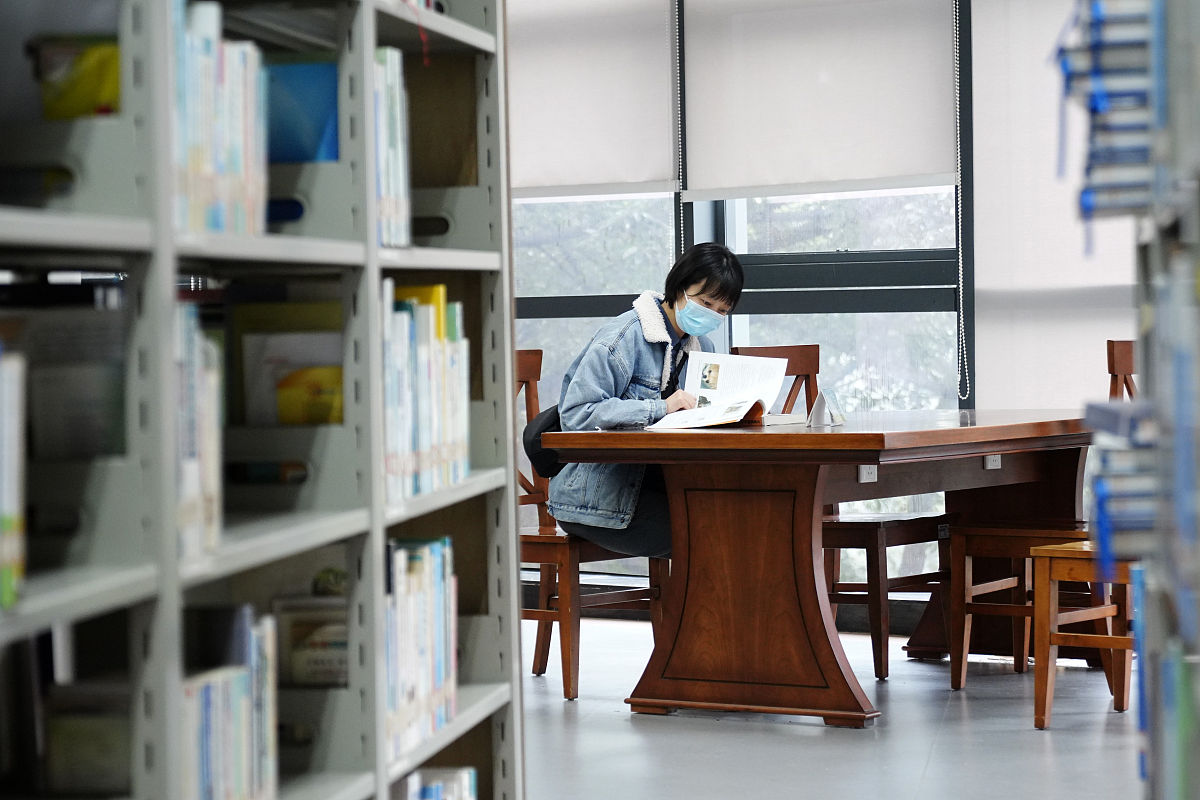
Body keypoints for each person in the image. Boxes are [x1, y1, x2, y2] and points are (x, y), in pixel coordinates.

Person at [546, 242, 744, 557]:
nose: (711, 315)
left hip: (660, 484)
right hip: (595, 498)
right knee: (708, 536)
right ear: (679, 288)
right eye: (705, 303)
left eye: (722, 311)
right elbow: (576, 414)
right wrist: (661, 407)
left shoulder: (701, 347)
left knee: (741, 521)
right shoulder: (624, 337)